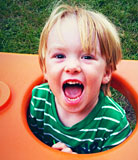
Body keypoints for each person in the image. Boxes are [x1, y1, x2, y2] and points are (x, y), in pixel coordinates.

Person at [28, 4, 131, 154]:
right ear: (44, 68)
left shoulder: (113, 124)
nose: (72, 66)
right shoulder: (38, 101)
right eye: (59, 56)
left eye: (87, 57)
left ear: (106, 72)